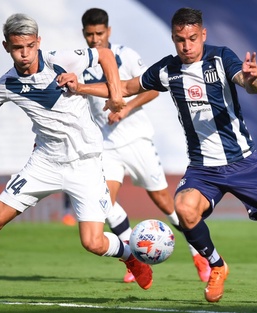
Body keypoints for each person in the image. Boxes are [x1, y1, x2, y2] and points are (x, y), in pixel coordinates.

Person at [58, 7, 257, 306]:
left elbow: (250, 85)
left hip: (244, 163)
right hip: (203, 169)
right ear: (173, 38)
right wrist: (80, 88)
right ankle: (217, 265)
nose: (187, 46)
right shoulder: (168, 69)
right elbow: (125, 87)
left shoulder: (221, 58)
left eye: (193, 38)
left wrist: (252, 80)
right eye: (180, 40)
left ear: (203, 35)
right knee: (183, 209)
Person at [0, 13, 153, 300]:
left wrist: (116, 93)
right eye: (18, 48)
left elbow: (104, 54)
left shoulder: (61, 60)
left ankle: (130, 256)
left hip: (85, 162)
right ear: (6, 47)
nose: (25, 53)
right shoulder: (6, 84)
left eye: (30, 46)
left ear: (38, 42)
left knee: (92, 242)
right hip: (44, 161)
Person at [80, 8, 210, 284]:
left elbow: (153, 87)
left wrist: (126, 108)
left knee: (164, 201)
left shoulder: (125, 55)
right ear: (84, 34)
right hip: (107, 146)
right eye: (90, 35)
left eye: (99, 34)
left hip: (137, 140)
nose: (94, 39)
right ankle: (134, 259)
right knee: (104, 203)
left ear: (108, 31)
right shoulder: (81, 64)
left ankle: (197, 251)